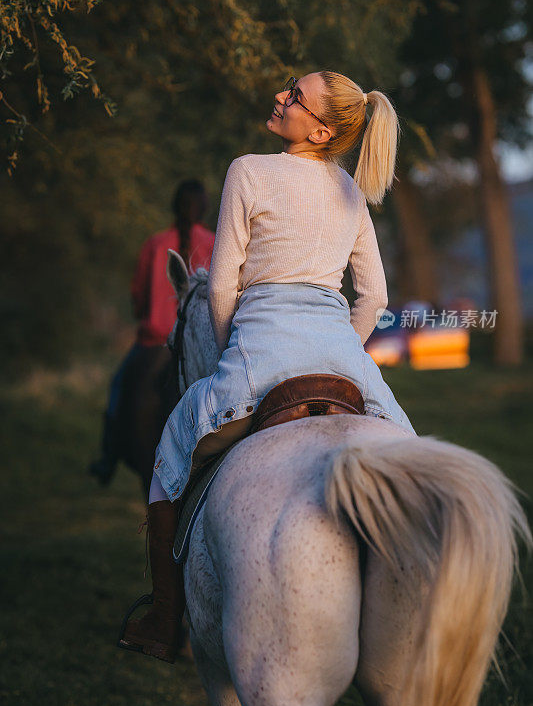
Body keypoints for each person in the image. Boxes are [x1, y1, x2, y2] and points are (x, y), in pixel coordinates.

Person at [118, 71, 417, 663]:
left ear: (323, 128)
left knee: (168, 461)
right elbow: (374, 299)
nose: (280, 97)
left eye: (293, 96)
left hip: (260, 348)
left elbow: (223, 282)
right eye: (287, 87)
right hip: (343, 356)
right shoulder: (353, 194)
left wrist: (236, 352)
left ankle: (163, 617)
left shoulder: (248, 170)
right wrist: (345, 352)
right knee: (411, 458)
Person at [88, 179, 215, 491]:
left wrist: (150, 313)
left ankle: (107, 458)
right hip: (197, 346)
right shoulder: (215, 243)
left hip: (153, 340)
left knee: (119, 385)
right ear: (204, 209)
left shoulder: (156, 244)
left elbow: (138, 296)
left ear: (174, 207)